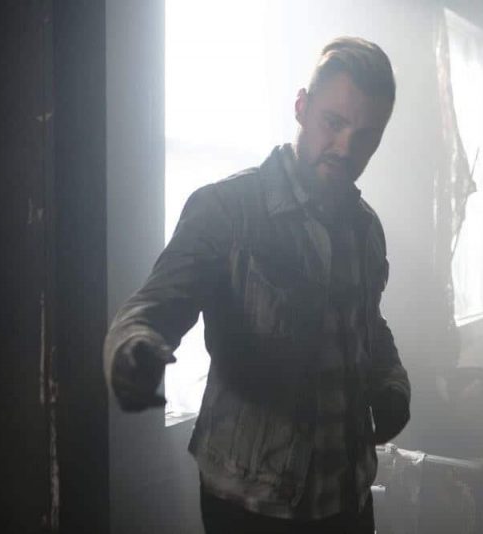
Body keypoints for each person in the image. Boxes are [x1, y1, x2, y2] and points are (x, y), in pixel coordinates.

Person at [103, 37, 410, 534]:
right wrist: (133, 347)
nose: (345, 148)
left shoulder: (365, 227)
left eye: (366, 137)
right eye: (334, 123)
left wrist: (391, 382)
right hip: (252, 505)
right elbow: (154, 305)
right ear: (301, 106)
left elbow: (366, 322)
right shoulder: (227, 209)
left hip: (348, 499)